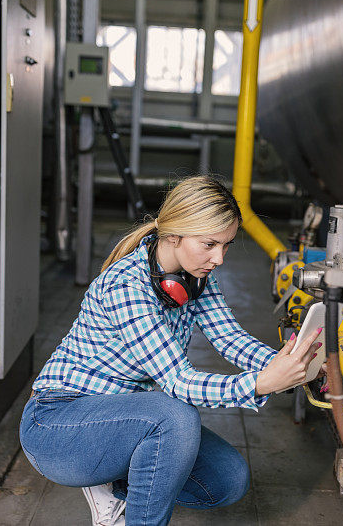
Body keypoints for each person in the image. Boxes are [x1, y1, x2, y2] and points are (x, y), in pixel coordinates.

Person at [19, 176, 322, 526]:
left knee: (227, 480)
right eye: (210, 244)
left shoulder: (196, 277)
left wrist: (292, 362)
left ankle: (112, 480)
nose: (219, 258)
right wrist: (259, 384)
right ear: (174, 235)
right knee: (174, 415)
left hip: (126, 419)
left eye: (226, 245)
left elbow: (229, 338)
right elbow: (179, 381)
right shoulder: (127, 285)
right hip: (59, 425)